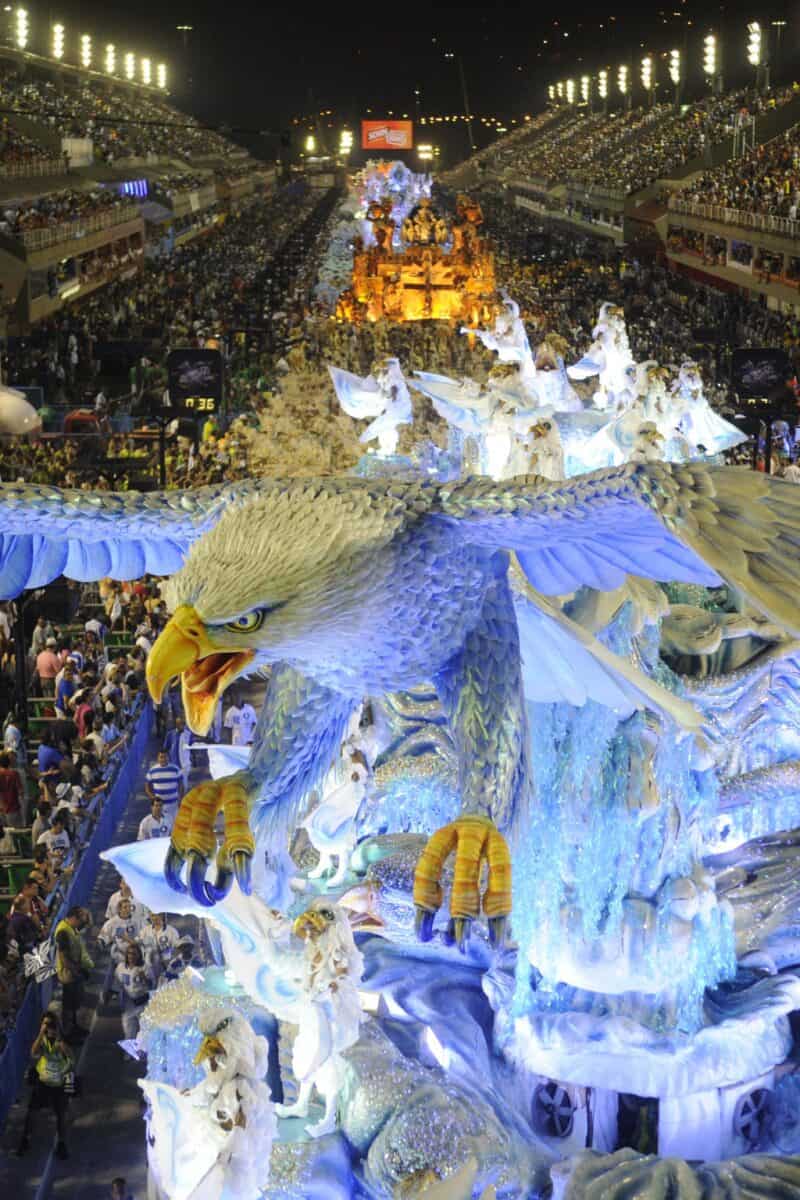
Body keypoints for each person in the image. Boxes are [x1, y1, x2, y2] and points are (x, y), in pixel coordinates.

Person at [17, 1011, 73, 1159]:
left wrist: (61, 1042)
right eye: (45, 1024)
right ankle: (26, 1139)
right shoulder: (41, 1040)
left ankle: (62, 1143)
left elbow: (71, 1058)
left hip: (59, 1083)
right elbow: (33, 1053)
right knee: (32, 1112)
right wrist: (41, 1034)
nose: (48, 1027)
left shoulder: (61, 1040)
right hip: (43, 1082)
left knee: (61, 1115)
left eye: (50, 1024)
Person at [54, 905, 93, 1041]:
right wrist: (78, 971)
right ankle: (68, 1034)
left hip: (73, 971)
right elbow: (64, 958)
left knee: (74, 1002)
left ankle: (74, 1027)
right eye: (80, 919)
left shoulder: (71, 928)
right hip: (68, 973)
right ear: (73, 918)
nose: (82, 923)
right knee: (68, 1005)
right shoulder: (63, 932)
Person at [114, 943, 153, 1040]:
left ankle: (143, 1053)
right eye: (129, 953)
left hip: (143, 1005)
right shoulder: (120, 967)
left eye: (134, 954)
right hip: (128, 1006)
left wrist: (144, 977)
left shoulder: (145, 968)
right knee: (129, 1034)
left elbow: (152, 986)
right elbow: (117, 984)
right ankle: (128, 1055)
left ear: (139, 955)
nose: (131, 956)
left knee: (145, 1034)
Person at [144, 748, 183, 813]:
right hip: (160, 807)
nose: (163, 759)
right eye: (161, 757)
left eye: (165, 757)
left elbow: (181, 785)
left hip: (174, 805)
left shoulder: (176, 769)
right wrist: (153, 798)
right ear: (158, 758)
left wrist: (180, 799)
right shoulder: (152, 771)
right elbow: (147, 787)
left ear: (169, 758)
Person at [0, 749, 23, 825]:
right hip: (13, 809)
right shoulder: (14, 774)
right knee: (16, 835)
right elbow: (21, 792)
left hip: (1, 809)